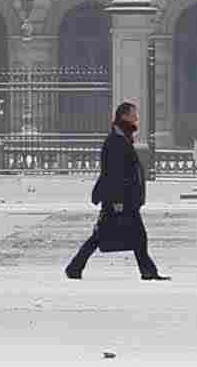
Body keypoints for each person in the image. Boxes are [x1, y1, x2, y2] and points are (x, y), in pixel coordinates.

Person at [64, 100, 165, 280]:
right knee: (125, 236)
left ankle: (75, 267)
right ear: (124, 116)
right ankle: (75, 267)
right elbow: (113, 174)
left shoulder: (122, 138)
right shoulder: (115, 141)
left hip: (125, 199)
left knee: (126, 236)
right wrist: (118, 200)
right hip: (120, 199)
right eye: (134, 114)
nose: (137, 118)